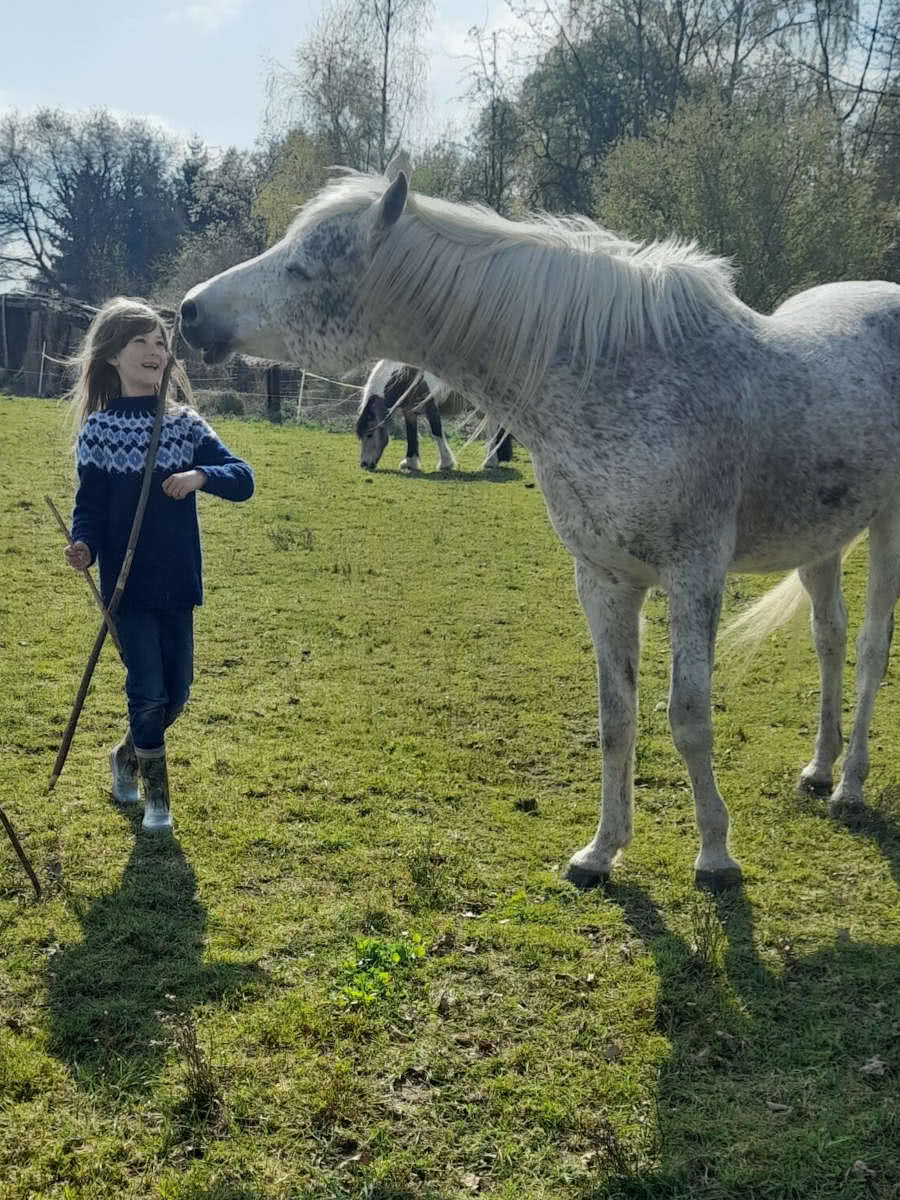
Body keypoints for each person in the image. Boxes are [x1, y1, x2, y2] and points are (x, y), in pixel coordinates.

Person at [64, 296, 254, 835]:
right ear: (111, 357)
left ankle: (126, 756)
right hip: (126, 589)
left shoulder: (185, 426)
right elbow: (91, 508)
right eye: (139, 342)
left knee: (177, 692)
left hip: (177, 582)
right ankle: (157, 802)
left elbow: (243, 477)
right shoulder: (98, 432)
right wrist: (84, 547)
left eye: (160, 343)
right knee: (146, 688)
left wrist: (200, 477)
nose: (153, 351)